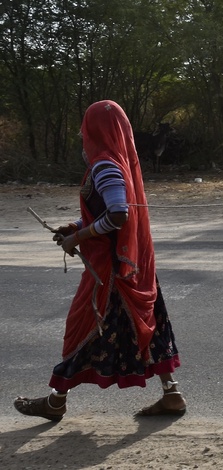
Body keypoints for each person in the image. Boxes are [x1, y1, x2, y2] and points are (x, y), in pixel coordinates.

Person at [13, 100, 187, 421]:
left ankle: (55, 402)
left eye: (85, 131)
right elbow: (108, 211)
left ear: (95, 131)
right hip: (134, 266)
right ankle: (172, 393)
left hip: (110, 273)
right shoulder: (120, 163)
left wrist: (78, 237)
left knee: (82, 329)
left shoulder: (105, 165)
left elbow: (118, 215)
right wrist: (75, 227)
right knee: (148, 326)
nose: (82, 138)